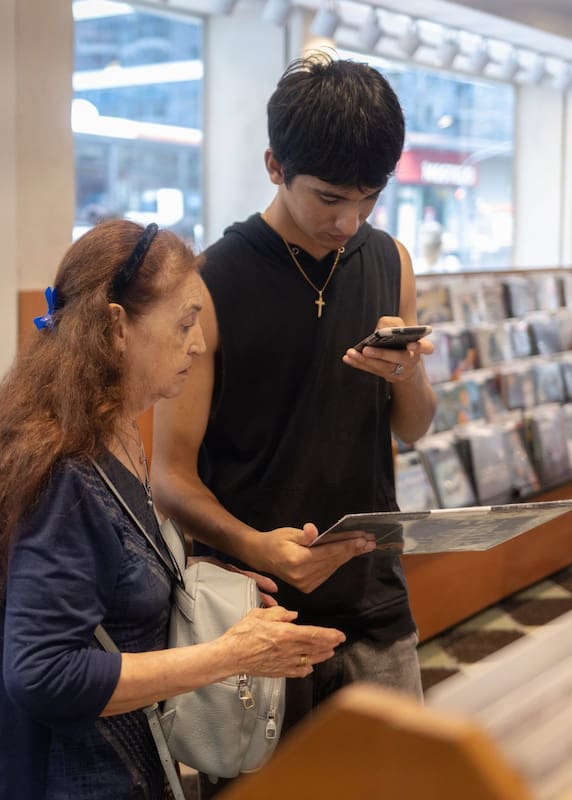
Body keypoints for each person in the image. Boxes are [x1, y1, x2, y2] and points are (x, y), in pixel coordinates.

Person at [0, 220, 345, 799]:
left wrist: (210, 588)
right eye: (185, 322)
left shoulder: (113, 428)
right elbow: (43, 674)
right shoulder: (63, 471)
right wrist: (226, 656)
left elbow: (109, 574)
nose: (198, 343)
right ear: (117, 327)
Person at [151, 52, 437, 781]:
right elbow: (169, 477)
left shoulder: (391, 260)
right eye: (331, 198)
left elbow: (414, 427)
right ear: (275, 165)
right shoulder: (210, 282)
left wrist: (410, 372)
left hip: (375, 598)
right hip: (258, 612)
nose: (351, 221)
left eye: (370, 198)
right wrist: (257, 544)